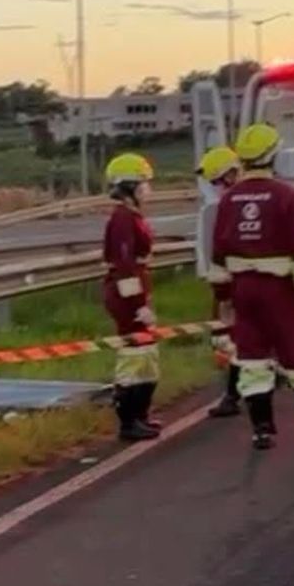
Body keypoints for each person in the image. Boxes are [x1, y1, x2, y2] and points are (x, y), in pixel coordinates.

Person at [211, 123, 294, 450]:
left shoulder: (229, 199)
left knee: (252, 356)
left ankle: (262, 431)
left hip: (243, 288)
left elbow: (219, 251)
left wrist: (223, 297)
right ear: (273, 156)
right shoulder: (285, 195)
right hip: (278, 288)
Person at [102, 152, 162, 442]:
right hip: (128, 294)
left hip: (136, 288)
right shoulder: (123, 218)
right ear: (131, 187)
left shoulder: (131, 216)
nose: (148, 189)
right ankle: (129, 421)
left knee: (147, 354)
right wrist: (138, 306)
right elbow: (125, 265)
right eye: (144, 184)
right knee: (134, 355)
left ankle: (140, 415)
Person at [197, 145, 246, 418]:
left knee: (233, 338)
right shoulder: (218, 207)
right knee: (233, 340)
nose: (213, 187)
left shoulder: (220, 208)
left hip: (232, 284)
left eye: (216, 181)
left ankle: (232, 395)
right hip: (235, 283)